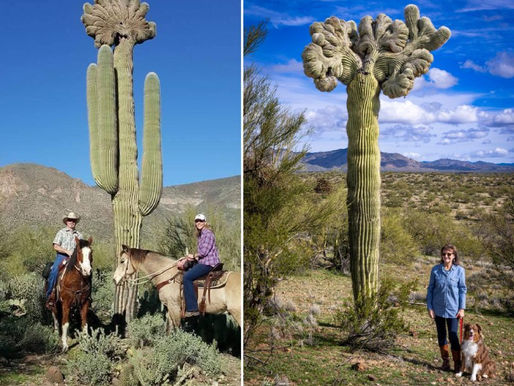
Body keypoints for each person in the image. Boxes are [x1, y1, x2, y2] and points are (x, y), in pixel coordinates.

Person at [426, 244, 467, 372]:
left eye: (449, 254)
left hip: (453, 310)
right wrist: (430, 307)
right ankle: (445, 362)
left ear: (454, 256)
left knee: (453, 336)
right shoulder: (435, 270)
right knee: (441, 335)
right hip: (438, 309)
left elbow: (462, 290)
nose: (446, 256)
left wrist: (462, 308)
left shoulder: (460, 271)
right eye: (444, 254)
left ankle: (457, 363)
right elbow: (430, 289)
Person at [182, 214, 221, 317]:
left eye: (201, 221)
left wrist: (193, 255)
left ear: (205, 222)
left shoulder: (207, 234)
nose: (198, 223)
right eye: (196, 221)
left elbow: (204, 252)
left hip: (208, 263)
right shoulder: (201, 234)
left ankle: (192, 309)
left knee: (187, 277)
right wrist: (193, 258)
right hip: (204, 261)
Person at [46, 212, 83, 307]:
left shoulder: (79, 235)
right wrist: (67, 251)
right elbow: (56, 246)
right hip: (62, 256)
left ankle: (86, 296)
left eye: (73, 220)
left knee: (86, 272)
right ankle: (51, 296)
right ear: (66, 221)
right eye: (70, 220)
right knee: (54, 271)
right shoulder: (61, 232)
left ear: (76, 222)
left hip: (75, 259)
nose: (72, 222)